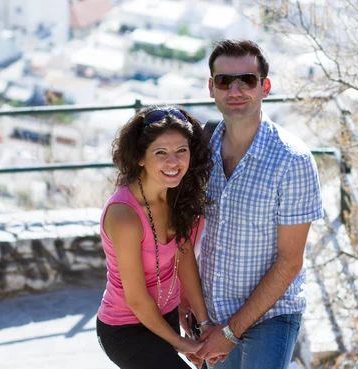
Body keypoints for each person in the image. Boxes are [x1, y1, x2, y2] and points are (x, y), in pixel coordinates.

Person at [193, 39, 324, 369]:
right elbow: (182, 232)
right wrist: (187, 301)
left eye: (247, 80)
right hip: (212, 310)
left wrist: (231, 333)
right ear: (212, 87)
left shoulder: (292, 160)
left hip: (271, 313)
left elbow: (289, 261)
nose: (235, 89)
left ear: (264, 86)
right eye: (224, 81)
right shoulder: (200, 150)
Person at [96, 105, 214, 369]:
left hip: (166, 314)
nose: (174, 162)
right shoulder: (124, 215)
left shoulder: (176, 195)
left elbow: (185, 262)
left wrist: (204, 324)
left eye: (181, 151)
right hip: (124, 329)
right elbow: (136, 298)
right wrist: (181, 343)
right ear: (140, 157)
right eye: (161, 152)